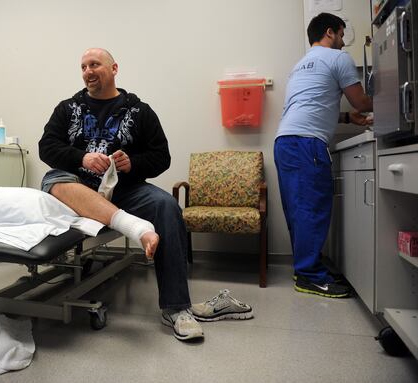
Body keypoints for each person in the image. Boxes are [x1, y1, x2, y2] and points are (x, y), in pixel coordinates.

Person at [39, 48, 253, 341]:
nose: (88, 71)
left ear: (114, 68)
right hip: (77, 185)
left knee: (166, 205)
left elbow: (161, 157)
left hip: (124, 189)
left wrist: (133, 163)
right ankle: (130, 224)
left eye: (95, 64)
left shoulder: (140, 111)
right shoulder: (67, 109)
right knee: (52, 179)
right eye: (83, 66)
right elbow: (46, 147)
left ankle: (176, 308)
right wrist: (82, 158)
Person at [274, 13, 373, 298]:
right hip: (307, 144)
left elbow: (310, 103)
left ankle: (305, 268)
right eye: (341, 35)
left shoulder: (300, 66)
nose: (343, 43)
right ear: (330, 32)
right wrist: (388, 97)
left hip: (285, 141)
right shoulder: (337, 58)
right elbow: (360, 100)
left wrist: (346, 117)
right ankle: (309, 276)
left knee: (297, 210)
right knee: (312, 210)